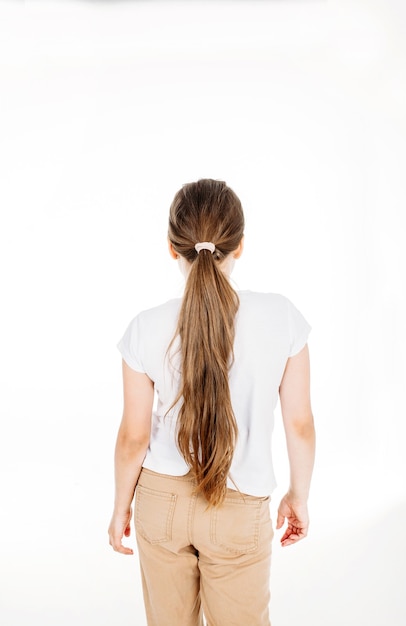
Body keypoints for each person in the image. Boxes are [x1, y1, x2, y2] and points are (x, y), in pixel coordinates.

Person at [108, 179, 315, 626]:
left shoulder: (144, 328)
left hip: (161, 504)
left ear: (171, 248)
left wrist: (121, 506)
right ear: (239, 246)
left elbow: (133, 437)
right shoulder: (282, 317)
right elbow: (300, 424)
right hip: (239, 508)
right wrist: (299, 496)